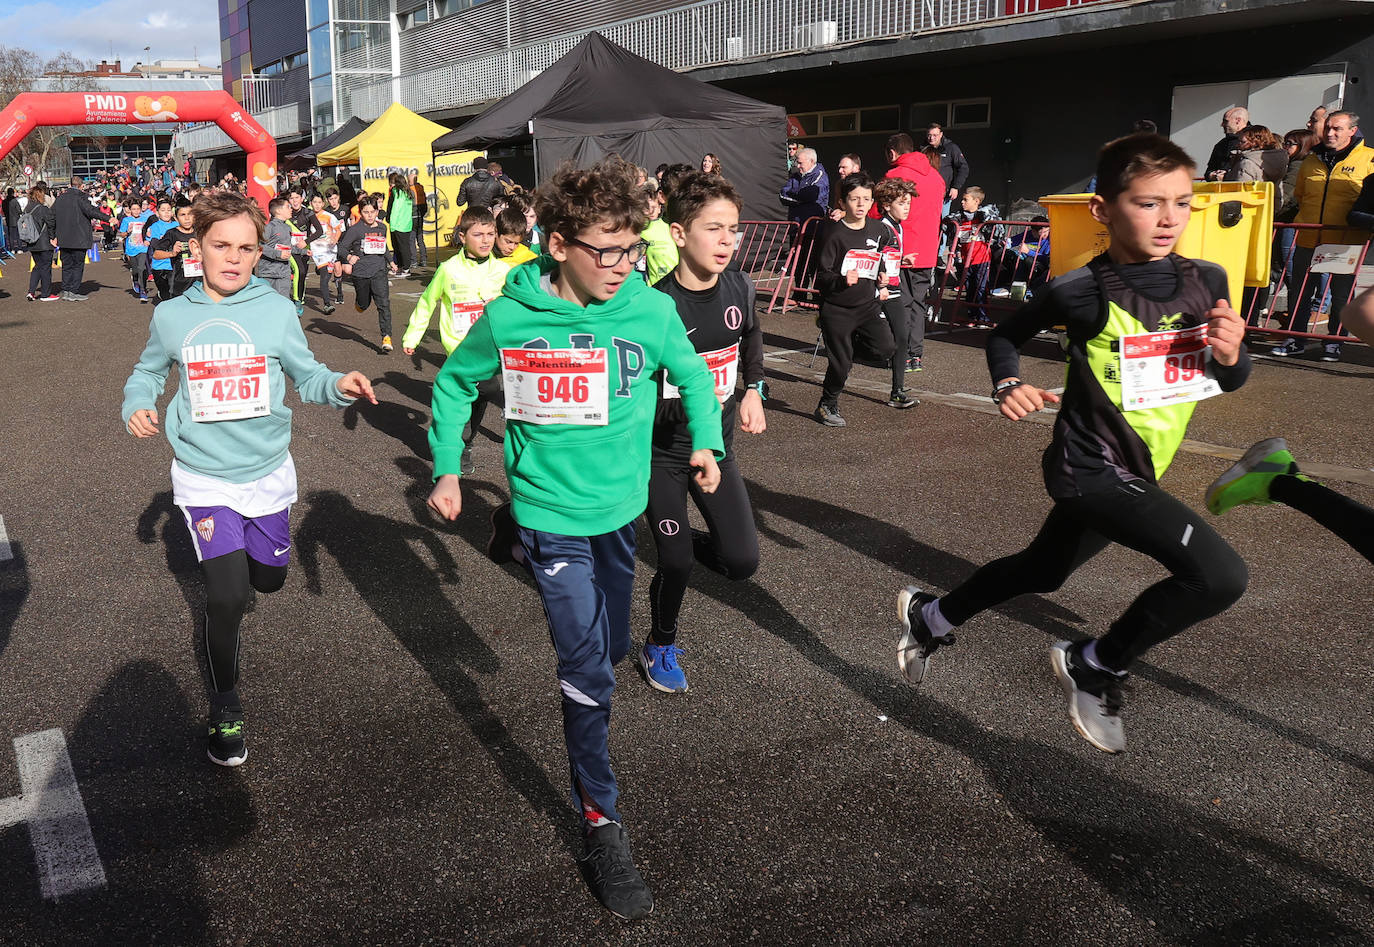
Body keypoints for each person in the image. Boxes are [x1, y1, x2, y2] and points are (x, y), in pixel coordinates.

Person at [425, 155, 723, 920]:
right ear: (558, 245)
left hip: (619, 510)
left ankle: (511, 537)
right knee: (588, 663)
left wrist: (705, 443)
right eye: (606, 250)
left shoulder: (649, 311)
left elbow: (690, 374)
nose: (624, 265)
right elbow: (457, 381)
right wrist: (450, 468)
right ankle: (603, 820)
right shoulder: (512, 315)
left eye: (632, 248)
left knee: (611, 637)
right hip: (549, 508)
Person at [894, 133, 1251, 755]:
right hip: (1089, 469)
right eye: (1148, 203)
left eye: (1183, 202)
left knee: (1045, 570)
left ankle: (932, 617)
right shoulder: (1081, 290)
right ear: (1102, 209)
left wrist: (1231, 353)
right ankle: (1098, 661)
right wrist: (1008, 382)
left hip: (1143, 467)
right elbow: (1006, 336)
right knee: (1219, 576)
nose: (1169, 219)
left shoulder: (1208, 278)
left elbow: (1226, 376)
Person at [122, 190, 376, 768]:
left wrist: (339, 385)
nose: (233, 258)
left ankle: (255, 572)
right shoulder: (172, 316)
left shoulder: (277, 311)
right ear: (198, 248)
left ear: (260, 251)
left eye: (245, 247)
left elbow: (307, 376)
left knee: (267, 581)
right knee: (229, 595)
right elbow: (146, 372)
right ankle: (225, 705)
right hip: (203, 477)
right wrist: (135, 403)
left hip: (267, 473)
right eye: (221, 246)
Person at [642, 171, 766, 693]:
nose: (726, 241)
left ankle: (678, 544)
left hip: (718, 451)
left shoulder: (740, 286)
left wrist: (755, 387)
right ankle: (660, 643)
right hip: (661, 456)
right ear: (677, 233)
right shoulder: (651, 306)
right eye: (713, 228)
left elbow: (750, 335)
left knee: (741, 563)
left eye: (732, 229)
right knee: (675, 561)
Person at [402, 205, 510, 473]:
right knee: (469, 393)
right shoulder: (448, 270)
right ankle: (457, 445)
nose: (485, 240)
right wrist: (413, 336)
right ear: (462, 237)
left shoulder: (503, 271)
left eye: (490, 233)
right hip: (459, 347)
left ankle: (466, 440)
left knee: (487, 392)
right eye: (478, 234)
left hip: (492, 348)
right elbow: (428, 302)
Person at [1271, 109, 1374, 361]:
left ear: (1352, 131)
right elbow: (1302, 195)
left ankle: (1333, 341)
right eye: (1328, 127)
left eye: (1337, 128)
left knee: (1341, 295)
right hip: (1309, 238)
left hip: (1345, 241)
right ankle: (1296, 338)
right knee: (1300, 292)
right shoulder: (1310, 160)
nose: (1330, 132)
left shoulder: (1369, 158)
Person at [812, 172, 896, 427]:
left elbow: (884, 257)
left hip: (867, 306)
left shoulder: (880, 230)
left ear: (873, 202)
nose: (861, 204)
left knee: (886, 349)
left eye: (866, 199)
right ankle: (827, 404)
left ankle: (846, 351)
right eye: (854, 199)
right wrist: (840, 279)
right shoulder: (834, 234)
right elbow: (821, 276)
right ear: (843, 203)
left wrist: (884, 275)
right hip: (837, 307)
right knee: (841, 365)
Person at [884, 133, 945, 372]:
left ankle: (902, 354)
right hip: (927, 249)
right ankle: (915, 355)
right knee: (918, 303)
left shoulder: (894, 175)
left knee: (901, 303)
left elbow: (881, 212)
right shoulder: (937, 177)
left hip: (902, 248)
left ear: (892, 153)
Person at [873, 177, 920, 409]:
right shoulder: (881, 227)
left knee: (902, 337)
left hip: (893, 290)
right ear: (886, 205)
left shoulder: (897, 227)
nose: (907, 207)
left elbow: (889, 257)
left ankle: (897, 391)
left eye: (908, 203)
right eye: (902, 203)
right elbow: (873, 256)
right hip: (876, 291)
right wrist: (879, 280)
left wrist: (902, 260)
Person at [339, 198, 399, 352]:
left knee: (384, 304)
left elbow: (383, 246)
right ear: (360, 213)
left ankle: (386, 336)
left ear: (377, 212)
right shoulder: (355, 230)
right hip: (361, 273)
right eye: (366, 212)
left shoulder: (382, 228)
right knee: (364, 304)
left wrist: (391, 262)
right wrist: (349, 257)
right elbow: (341, 247)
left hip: (379, 271)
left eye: (373, 212)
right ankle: (360, 303)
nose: (370, 215)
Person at [53, 175, 111, 300]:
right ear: (81, 186)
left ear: (70, 185)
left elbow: (52, 216)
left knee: (67, 265)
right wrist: (108, 218)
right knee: (78, 265)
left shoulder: (60, 199)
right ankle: (73, 291)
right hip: (79, 238)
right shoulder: (81, 198)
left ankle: (66, 290)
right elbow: (91, 211)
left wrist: (52, 235)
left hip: (64, 238)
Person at [951, 186, 996, 324]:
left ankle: (982, 317)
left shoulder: (983, 217)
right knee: (969, 288)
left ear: (976, 201)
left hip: (981, 258)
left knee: (980, 288)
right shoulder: (961, 218)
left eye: (966, 199)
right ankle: (971, 316)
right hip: (965, 259)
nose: (962, 202)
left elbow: (994, 232)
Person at [148, 199, 200, 301]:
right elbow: (156, 254)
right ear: (176, 218)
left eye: (190, 214)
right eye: (182, 215)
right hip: (180, 285)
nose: (187, 218)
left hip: (200, 284)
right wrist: (172, 253)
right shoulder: (172, 233)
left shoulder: (200, 232)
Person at [305, 192, 345, 314]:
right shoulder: (308, 216)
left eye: (319, 202)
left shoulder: (329, 216)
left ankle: (338, 293)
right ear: (311, 203)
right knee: (325, 278)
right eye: (314, 202)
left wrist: (335, 239)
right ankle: (327, 304)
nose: (317, 205)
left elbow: (338, 229)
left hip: (330, 250)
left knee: (331, 272)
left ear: (323, 203)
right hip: (317, 250)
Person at [19, 184, 58, 302]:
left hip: (32, 242)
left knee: (37, 267)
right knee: (46, 268)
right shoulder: (43, 209)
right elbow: (51, 223)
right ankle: (46, 294)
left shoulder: (27, 209)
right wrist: (53, 237)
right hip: (44, 242)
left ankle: (31, 292)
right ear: (40, 195)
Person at [257, 198, 296, 302]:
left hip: (284, 273)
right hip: (268, 273)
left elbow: (288, 247)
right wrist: (278, 254)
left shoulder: (288, 227)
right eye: (288, 206)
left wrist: (304, 252)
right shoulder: (269, 227)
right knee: (268, 303)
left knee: (284, 302)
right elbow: (260, 245)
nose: (291, 209)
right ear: (278, 211)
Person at [779, 147, 829, 226]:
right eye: (797, 163)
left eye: (800, 163)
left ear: (811, 161)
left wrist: (793, 195)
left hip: (812, 226)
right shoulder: (795, 176)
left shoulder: (820, 176)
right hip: (795, 225)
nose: (798, 166)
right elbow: (782, 195)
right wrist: (802, 199)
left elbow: (813, 195)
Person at [118, 198, 155, 303]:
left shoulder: (144, 219)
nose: (136, 211)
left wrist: (149, 235)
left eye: (138, 209)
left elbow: (149, 231)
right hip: (131, 248)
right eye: (134, 209)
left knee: (142, 268)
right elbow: (122, 234)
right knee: (135, 270)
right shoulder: (126, 220)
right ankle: (135, 279)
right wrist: (127, 232)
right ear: (130, 210)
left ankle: (143, 291)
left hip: (143, 247)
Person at [926, 124, 969, 212]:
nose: (931, 138)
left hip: (944, 194)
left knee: (943, 221)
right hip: (927, 192)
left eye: (935, 135)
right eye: (929, 135)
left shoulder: (950, 147)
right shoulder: (924, 148)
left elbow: (963, 168)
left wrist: (955, 187)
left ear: (941, 134)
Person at [641, 183, 678, 286]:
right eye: (647, 208)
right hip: (654, 284)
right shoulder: (640, 231)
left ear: (659, 208)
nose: (651, 211)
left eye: (654, 207)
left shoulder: (668, 226)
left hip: (674, 281)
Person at [146, 197, 179, 303]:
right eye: (163, 210)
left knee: (174, 294)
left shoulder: (177, 225)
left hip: (174, 266)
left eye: (169, 210)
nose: (166, 213)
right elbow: (155, 244)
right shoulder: (154, 227)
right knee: (165, 294)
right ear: (157, 213)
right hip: (159, 266)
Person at [1205, 106, 1249, 181]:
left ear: (1238, 120)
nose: (1222, 125)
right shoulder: (1221, 145)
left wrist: (1227, 175)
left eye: (1226, 121)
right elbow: (1209, 171)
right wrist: (1212, 175)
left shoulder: (1255, 140)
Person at [386, 171, 414, 277]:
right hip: (406, 223)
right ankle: (402, 267)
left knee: (401, 247)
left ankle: (406, 269)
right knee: (402, 247)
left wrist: (389, 219)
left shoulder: (396, 192)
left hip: (397, 223)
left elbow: (392, 207)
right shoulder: (408, 192)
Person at [408, 171, 429, 267]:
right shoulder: (421, 188)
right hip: (420, 216)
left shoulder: (409, 190)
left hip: (412, 216)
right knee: (420, 239)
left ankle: (414, 261)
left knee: (411, 239)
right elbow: (425, 203)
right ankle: (424, 260)